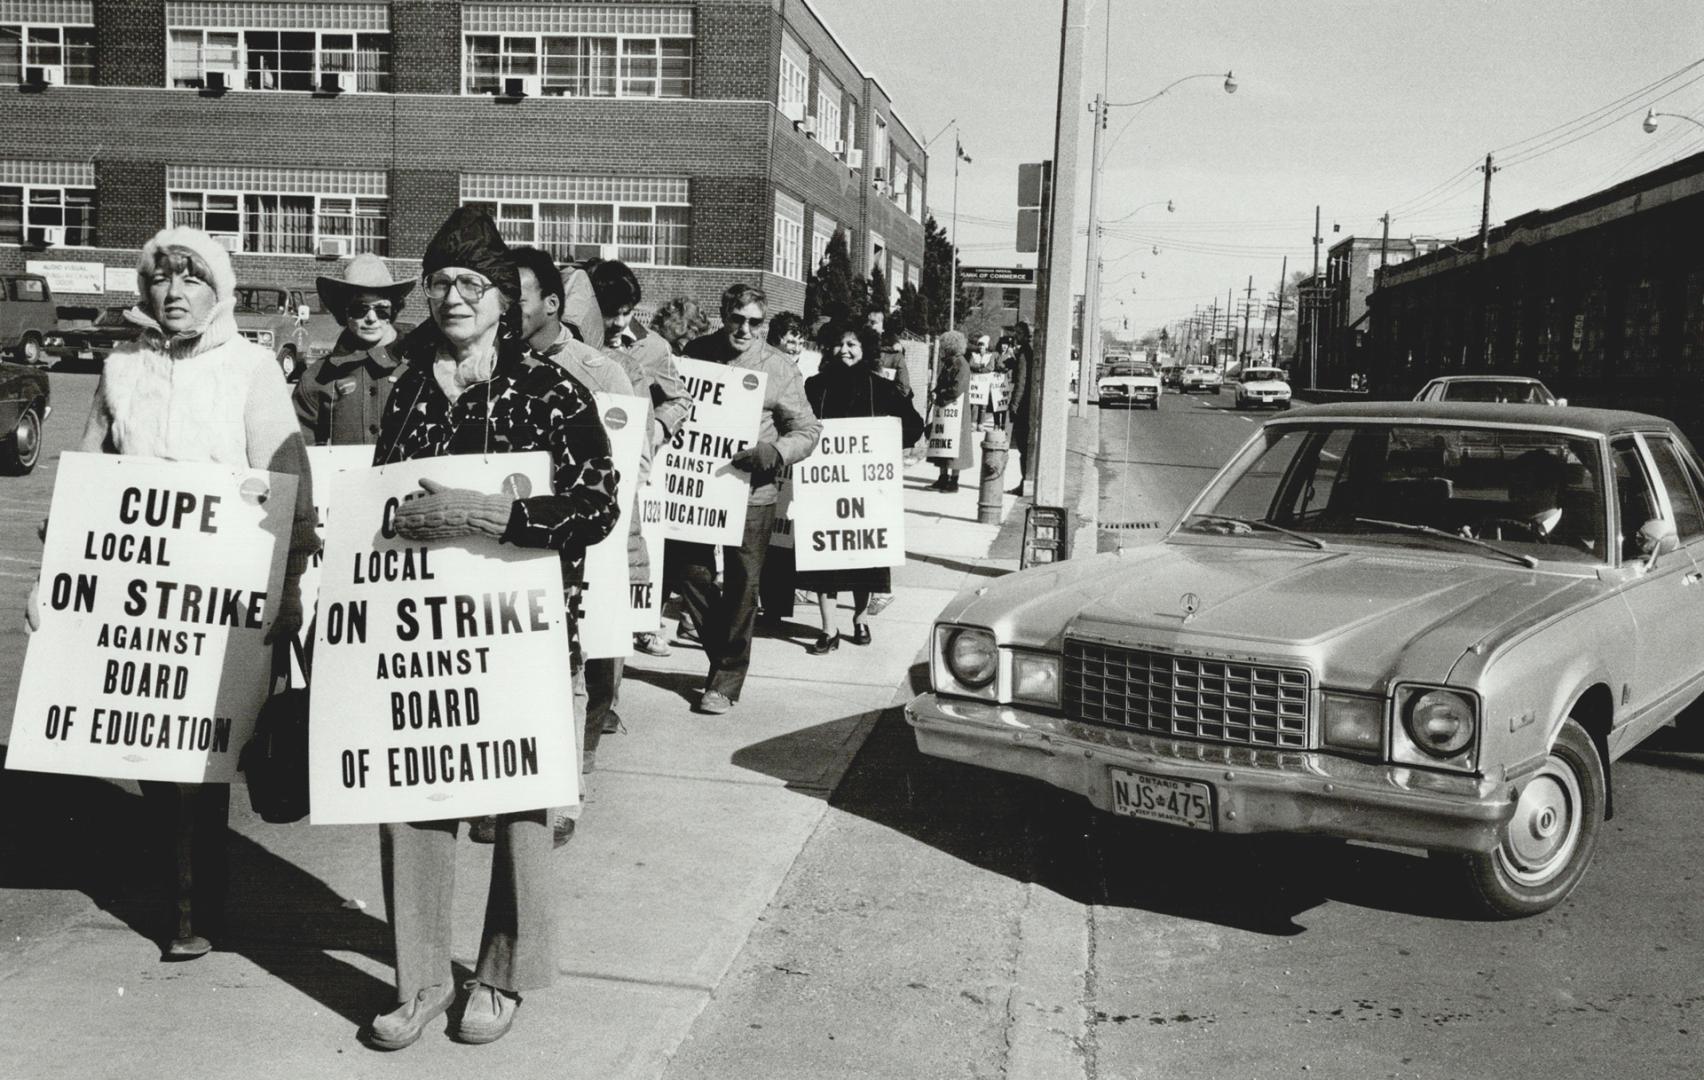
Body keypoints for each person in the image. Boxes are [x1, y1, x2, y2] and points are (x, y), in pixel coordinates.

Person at [367, 207, 618, 1050]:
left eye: (472, 284)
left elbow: (597, 507)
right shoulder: (408, 389)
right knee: (412, 794)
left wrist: (490, 515)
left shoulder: (551, 391)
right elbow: (381, 500)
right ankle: (421, 978)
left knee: (517, 810)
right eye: (439, 282)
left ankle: (502, 976)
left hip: (525, 638)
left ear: (505, 300)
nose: (453, 298)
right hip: (423, 639)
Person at [63, 226, 317, 960]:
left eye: (191, 279)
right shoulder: (120, 370)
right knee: (156, 750)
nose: (173, 293)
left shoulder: (251, 370)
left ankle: (196, 908)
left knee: (205, 762)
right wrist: (60, 579)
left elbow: (288, 483)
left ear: (220, 291)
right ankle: (187, 897)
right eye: (160, 280)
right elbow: (88, 481)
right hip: (142, 598)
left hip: (228, 594)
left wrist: (290, 585)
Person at [512, 246, 639, 779]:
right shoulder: (488, 368)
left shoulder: (600, 373)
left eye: (514, 299)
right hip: (519, 548)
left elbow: (629, 468)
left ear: (551, 304)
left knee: (588, 654)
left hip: (586, 545)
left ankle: (575, 766)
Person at [672, 284, 821, 714]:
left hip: (754, 491)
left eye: (755, 322)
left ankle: (725, 681)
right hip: (699, 487)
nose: (744, 328)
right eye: (737, 318)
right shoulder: (696, 353)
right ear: (724, 315)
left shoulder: (778, 367)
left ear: (765, 325)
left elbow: (808, 430)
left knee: (742, 583)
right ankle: (726, 655)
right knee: (689, 571)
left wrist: (774, 452)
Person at [797, 321, 924, 652]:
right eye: (839, 343)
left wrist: (888, 444)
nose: (845, 350)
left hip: (866, 492)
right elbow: (796, 424)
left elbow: (913, 426)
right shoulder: (815, 386)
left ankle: (860, 618)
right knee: (826, 560)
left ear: (865, 349)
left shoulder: (880, 389)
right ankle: (828, 629)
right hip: (825, 489)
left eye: (852, 344)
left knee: (864, 560)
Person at [293, 252, 415, 446]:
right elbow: (301, 450)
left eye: (382, 309)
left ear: (394, 310)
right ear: (344, 312)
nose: (372, 318)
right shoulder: (316, 377)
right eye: (360, 309)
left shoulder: (419, 367)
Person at [927, 330, 976, 491]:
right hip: (945, 410)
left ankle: (954, 481)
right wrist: (935, 391)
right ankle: (942, 477)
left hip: (957, 412)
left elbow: (957, 389)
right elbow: (942, 383)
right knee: (943, 443)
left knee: (956, 445)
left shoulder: (962, 364)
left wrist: (940, 395)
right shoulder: (949, 363)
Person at [864, 308, 914, 399]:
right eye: (867, 322)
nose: (869, 326)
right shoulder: (857, 351)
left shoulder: (894, 353)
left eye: (873, 322)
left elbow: (903, 388)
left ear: (883, 327)